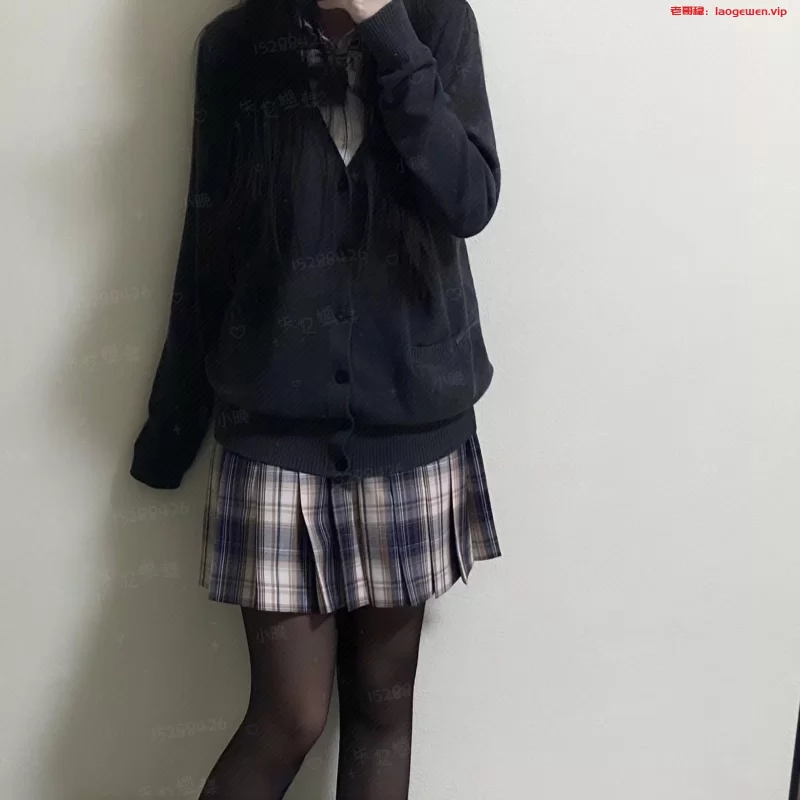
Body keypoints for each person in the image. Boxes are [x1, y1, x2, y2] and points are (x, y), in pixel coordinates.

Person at [129, 0, 502, 796]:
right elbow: (207, 247)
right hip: (274, 434)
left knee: (382, 710)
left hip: (411, 431)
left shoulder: (439, 24)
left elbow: (469, 199)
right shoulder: (236, 46)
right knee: (288, 718)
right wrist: (171, 429)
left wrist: (387, 30)